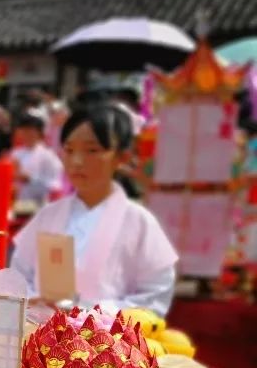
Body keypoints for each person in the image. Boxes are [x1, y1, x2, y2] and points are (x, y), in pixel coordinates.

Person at [11, 103, 179, 316]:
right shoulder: (47, 216)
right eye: (69, 150)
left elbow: (155, 297)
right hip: (40, 339)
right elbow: (18, 277)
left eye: (92, 151)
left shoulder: (140, 222)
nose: (76, 161)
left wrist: (92, 314)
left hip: (107, 343)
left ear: (122, 157)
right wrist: (34, 301)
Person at [12, 113, 64, 209]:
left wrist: (31, 179)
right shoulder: (15, 154)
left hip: (38, 208)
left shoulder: (48, 156)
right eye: (24, 130)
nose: (26, 134)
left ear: (39, 132)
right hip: (16, 205)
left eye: (30, 130)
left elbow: (56, 185)